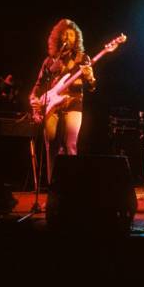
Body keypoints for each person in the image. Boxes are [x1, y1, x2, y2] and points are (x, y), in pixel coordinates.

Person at [29, 19, 96, 184]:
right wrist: (33, 100)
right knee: (51, 147)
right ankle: (54, 190)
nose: (68, 37)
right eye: (65, 33)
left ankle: (71, 189)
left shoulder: (83, 58)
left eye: (72, 34)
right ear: (58, 37)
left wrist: (90, 78)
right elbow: (38, 86)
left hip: (73, 104)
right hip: (51, 106)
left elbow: (92, 87)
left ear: (77, 38)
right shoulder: (49, 61)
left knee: (70, 145)